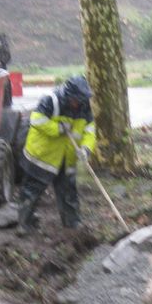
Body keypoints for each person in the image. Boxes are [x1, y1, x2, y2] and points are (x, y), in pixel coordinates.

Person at [18, 74, 96, 233]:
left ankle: (72, 223)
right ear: (69, 95)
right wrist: (58, 128)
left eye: (81, 100)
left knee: (68, 191)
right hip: (42, 156)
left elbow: (89, 131)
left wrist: (86, 149)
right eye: (76, 100)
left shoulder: (84, 106)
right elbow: (36, 120)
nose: (78, 103)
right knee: (31, 191)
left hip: (67, 158)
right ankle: (25, 224)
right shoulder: (51, 100)